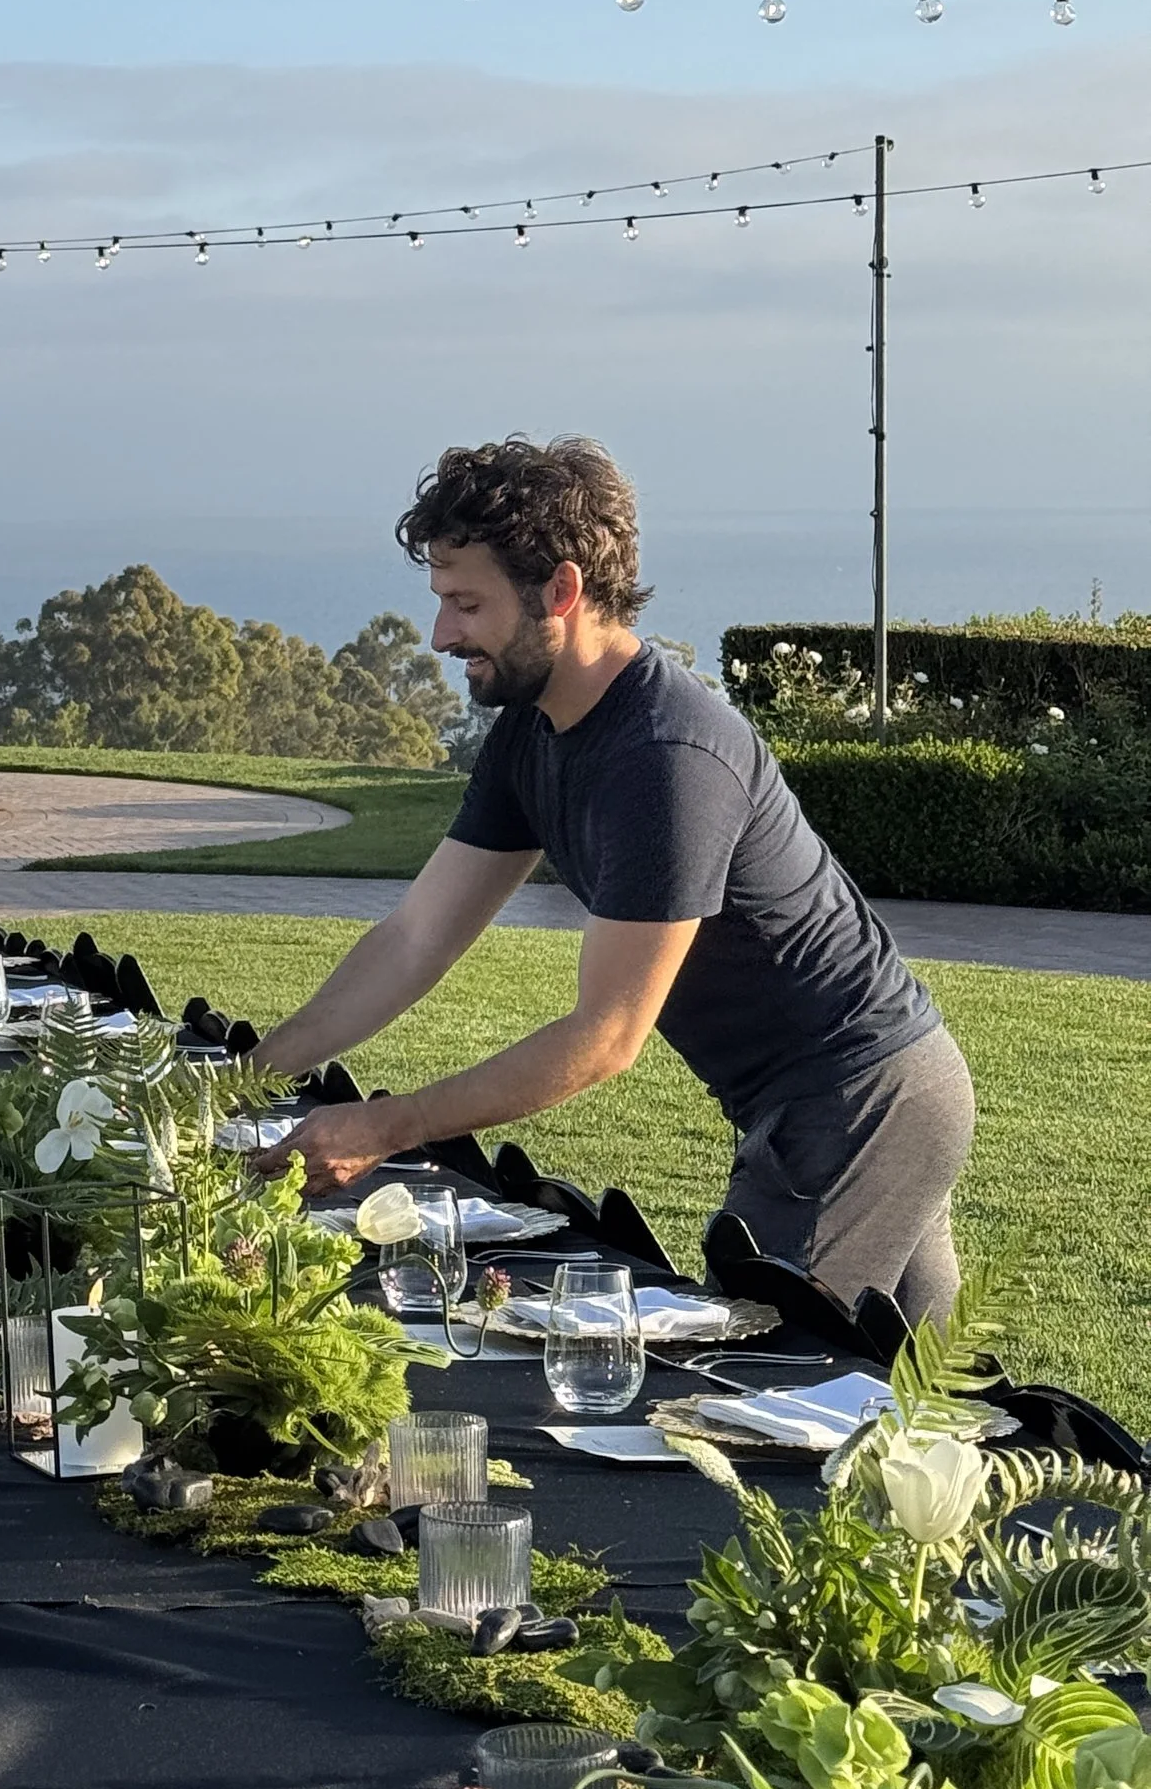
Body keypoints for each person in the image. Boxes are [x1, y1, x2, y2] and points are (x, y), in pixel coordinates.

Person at [252, 435, 974, 1328]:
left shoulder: (666, 756)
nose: (442, 635)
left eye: (466, 604)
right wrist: (246, 1076)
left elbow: (606, 1035)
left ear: (561, 590)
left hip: (861, 1101)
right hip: (851, 1100)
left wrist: (384, 1126)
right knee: (922, 1397)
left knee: (766, 1371)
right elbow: (415, 938)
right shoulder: (532, 732)